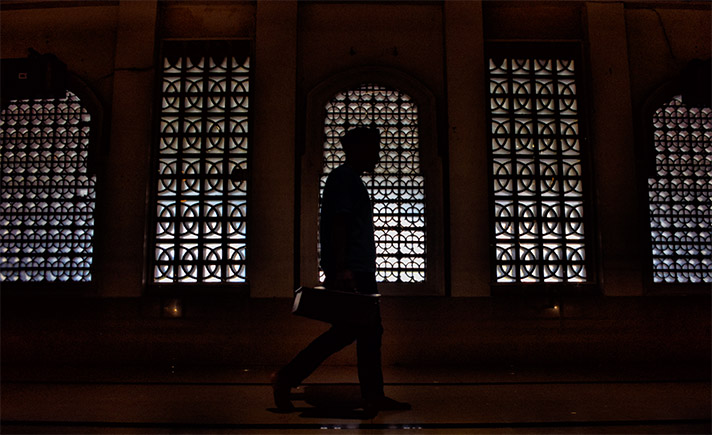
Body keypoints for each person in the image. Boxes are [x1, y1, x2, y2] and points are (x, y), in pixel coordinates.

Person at [271, 127, 411, 415]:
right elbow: (340, 224)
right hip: (354, 270)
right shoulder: (345, 179)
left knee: (361, 331)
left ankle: (371, 395)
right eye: (373, 149)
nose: (376, 156)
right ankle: (288, 377)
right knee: (357, 331)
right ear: (358, 150)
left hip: (356, 268)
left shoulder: (347, 180)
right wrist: (342, 268)